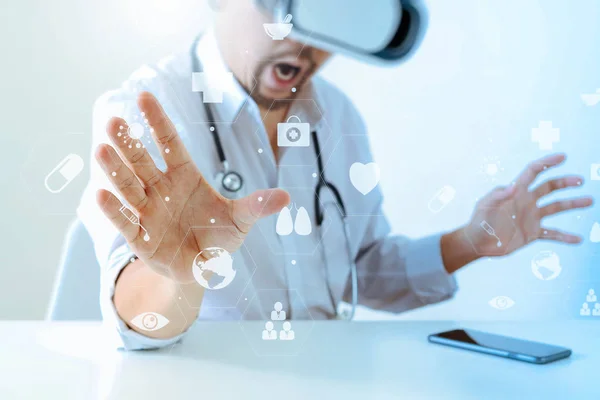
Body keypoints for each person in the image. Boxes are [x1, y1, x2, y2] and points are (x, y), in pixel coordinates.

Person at [78, 0, 593, 350]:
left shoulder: (335, 118)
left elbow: (361, 271)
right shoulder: (146, 111)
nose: (308, 43)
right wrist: (179, 273)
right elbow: (135, 316)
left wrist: (471, 241)